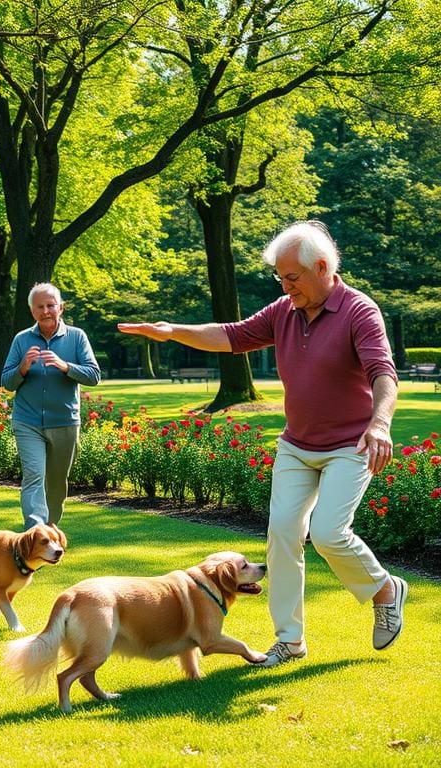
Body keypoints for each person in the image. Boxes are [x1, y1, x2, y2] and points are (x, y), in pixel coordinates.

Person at [117, 220, 408, 667]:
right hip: (297, 445)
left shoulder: (359, 311)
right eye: (281, 278)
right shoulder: (284, 312)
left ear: (323, 267)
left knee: (329, 531)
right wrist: (172, 330)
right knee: (282, 536)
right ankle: (289, 640)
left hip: (349, 444)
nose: (286, 286)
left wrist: (381, 424)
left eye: (292, 277)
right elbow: (230, 335)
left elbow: (383, 373)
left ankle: (385, 590)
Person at [1, 283, 101, 530]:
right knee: (34, 476)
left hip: (65, 421)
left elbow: (94, 376)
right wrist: (22, 367)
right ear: (32, 311)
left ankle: (50, 528)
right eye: (40, 307)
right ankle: (34, 531)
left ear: (61, 308)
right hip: (27, 421)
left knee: (57, 482)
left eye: (50, 305)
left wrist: (65, 366)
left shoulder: (77, 337)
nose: (46, 311)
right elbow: (6, 382)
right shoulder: (22, 340)